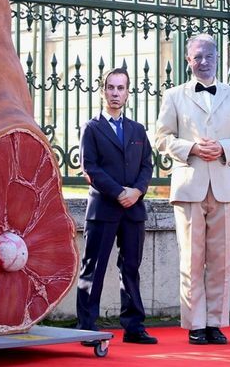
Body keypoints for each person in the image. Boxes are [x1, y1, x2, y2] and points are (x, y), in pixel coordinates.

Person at [155, 33, 230, 345]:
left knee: (222, 259)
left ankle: (216, 322)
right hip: (189, 186)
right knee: (191, 258)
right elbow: (161, 138)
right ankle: (195, 323)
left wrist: (223, 147)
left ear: (216, 58)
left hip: (225, 185)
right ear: (188, 60)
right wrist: (193, 148)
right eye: (197, 56)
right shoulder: (173, 95)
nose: (203, 61)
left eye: (208, 55)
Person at [76, 67, 158, 345]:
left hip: (133, 210)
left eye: (120, 88)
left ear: (127, 92)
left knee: (131, 268)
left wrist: (136, 191)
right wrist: (118, 192)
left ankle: (134, 326)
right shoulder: (92, 128)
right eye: (111, 87)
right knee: (93, 267)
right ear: (103, 90)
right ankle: (87, 327)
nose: (115, 93)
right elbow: (90, 167)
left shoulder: (137, 129)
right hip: (104, 209)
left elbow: (147, 164)